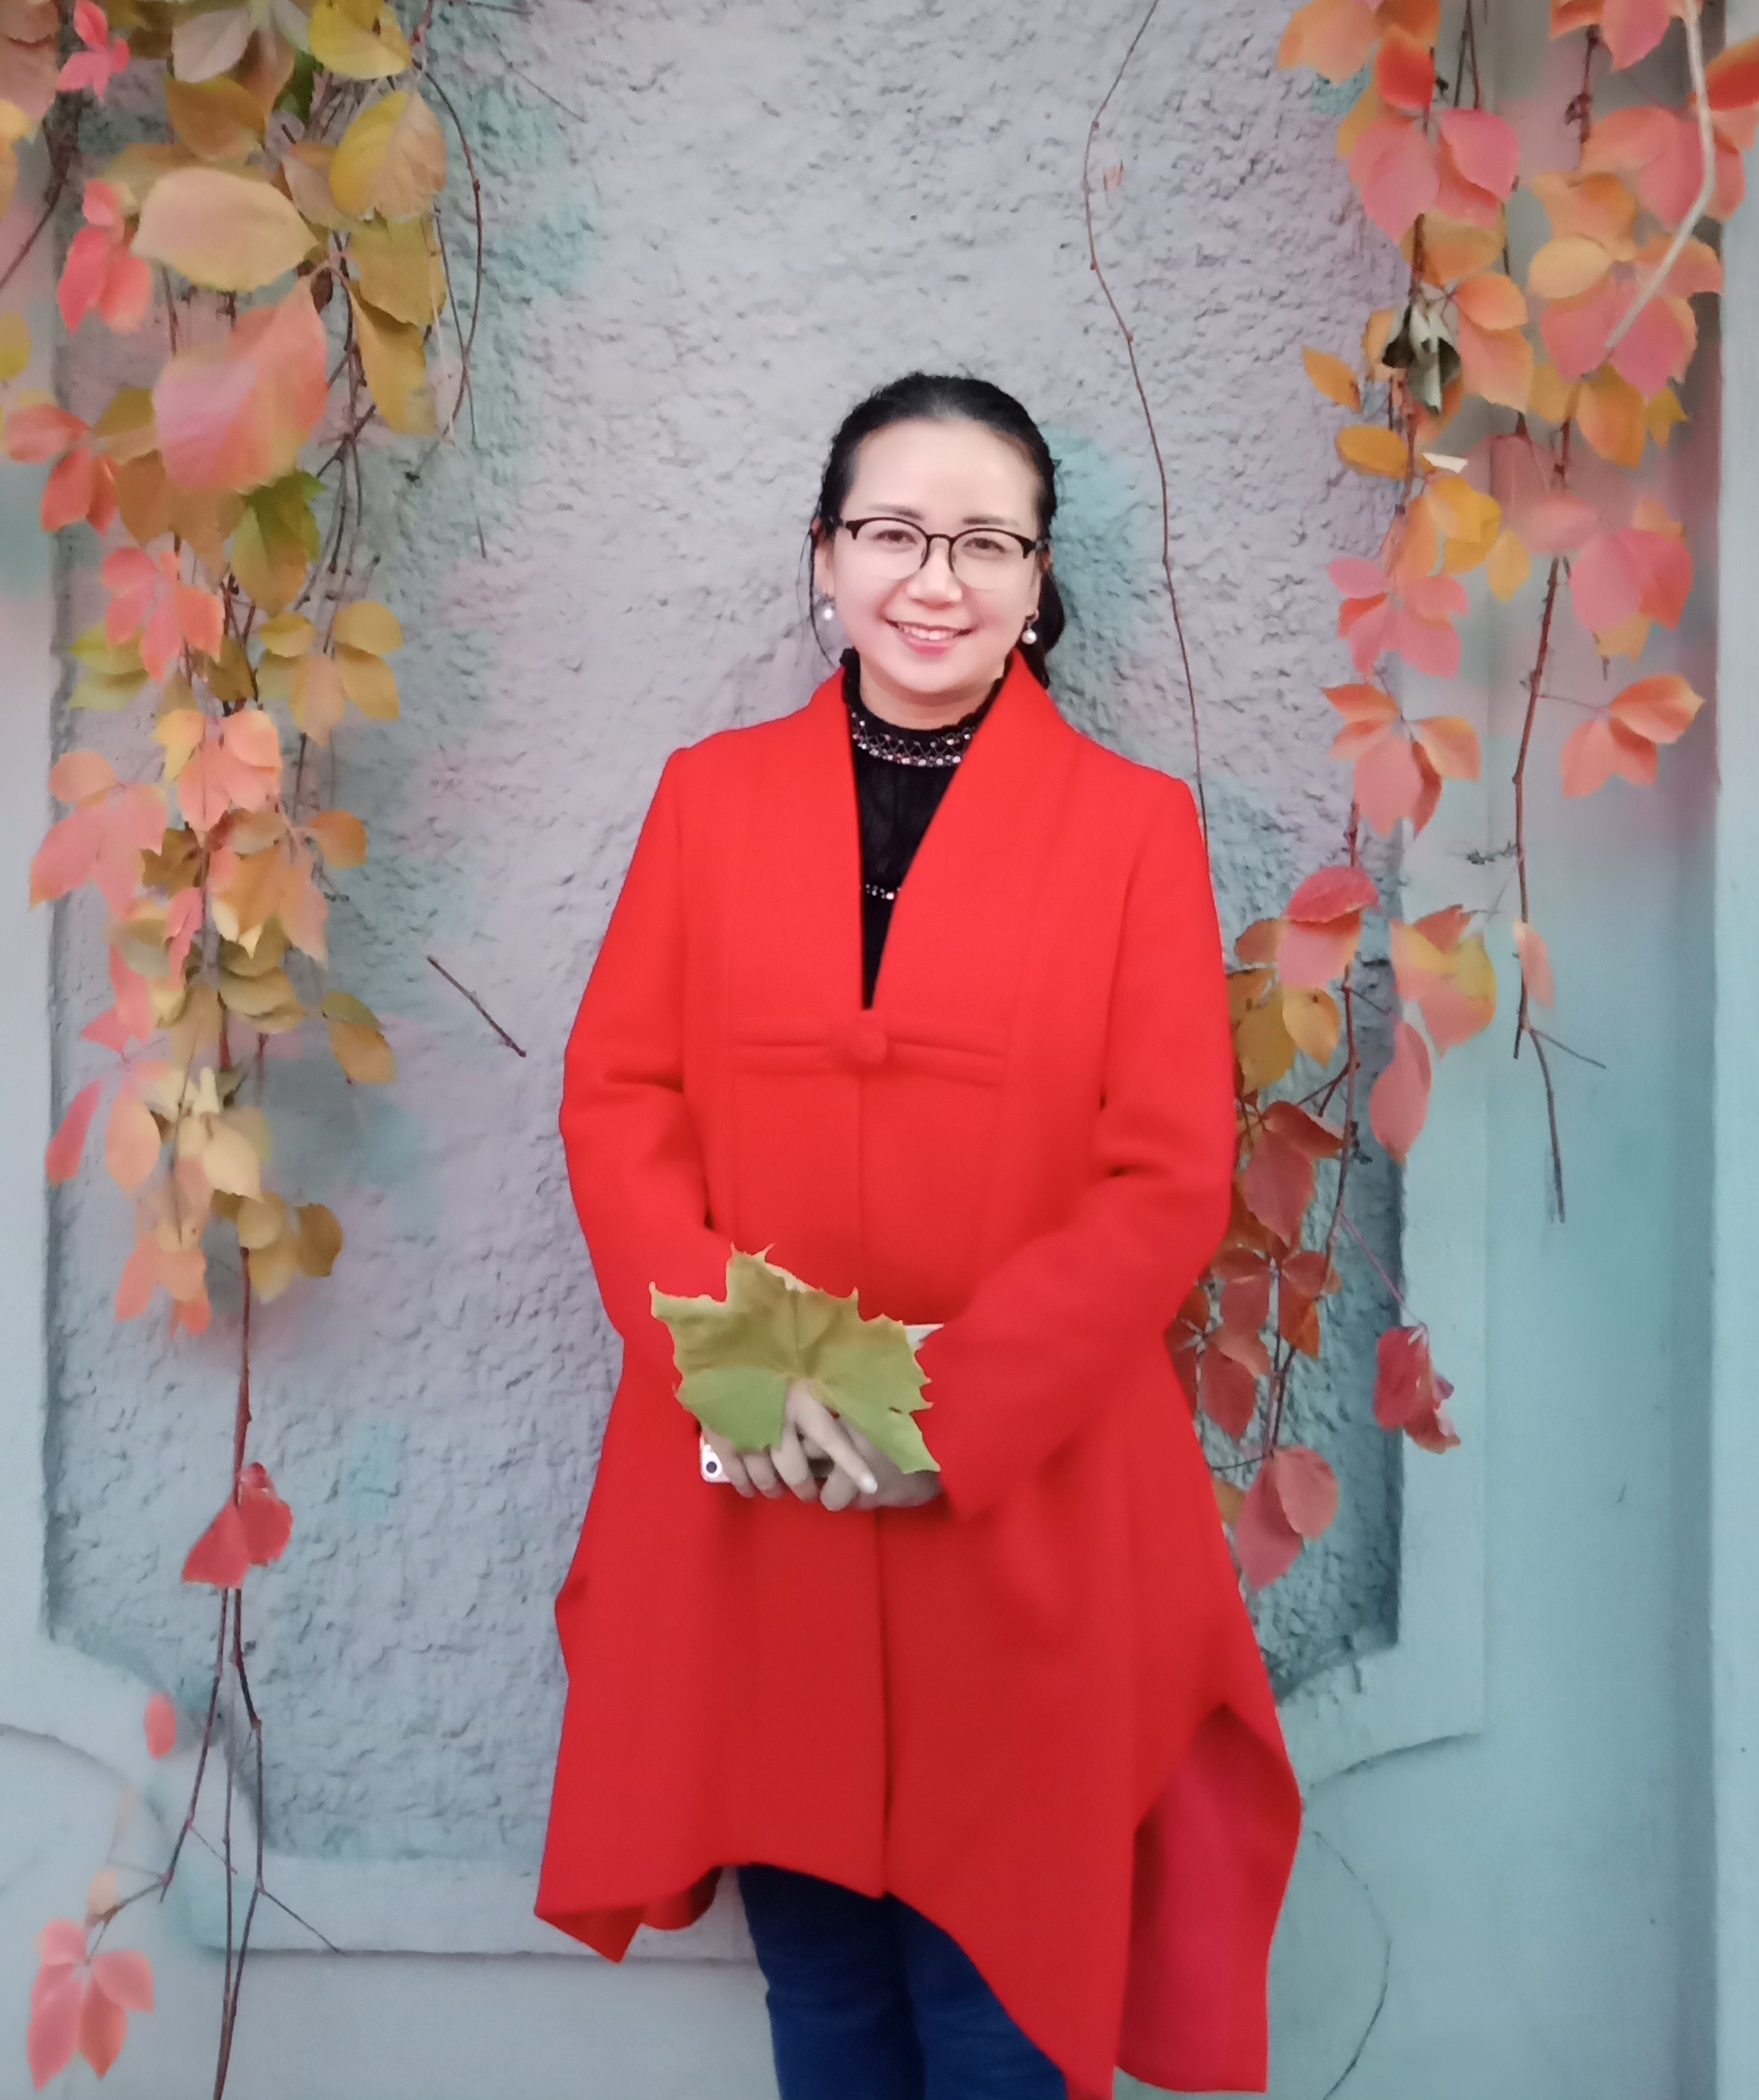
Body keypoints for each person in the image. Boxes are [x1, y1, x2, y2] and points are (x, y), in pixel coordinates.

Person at [535, 374, 1301, 2098]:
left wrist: (940, 1414)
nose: (934, 578)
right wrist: (749, 1366)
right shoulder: (710, 798)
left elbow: (1167, 1172)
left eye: (984, 542)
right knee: (820, 1982)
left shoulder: (1132, 829)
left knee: (1006, 1991)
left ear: (1039, 579)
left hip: (1023, 1498)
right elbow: (620, 1100)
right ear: (826, 556)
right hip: (765, 1486)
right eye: (893, 531)